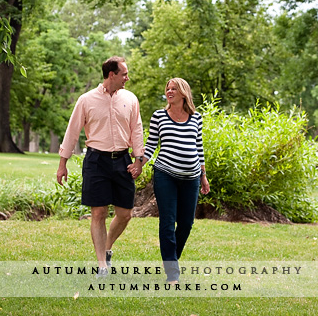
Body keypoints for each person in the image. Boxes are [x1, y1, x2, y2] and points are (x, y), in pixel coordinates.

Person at [57, 56, 144, 277]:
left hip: (123, 160)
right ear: (111, 74)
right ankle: (102, 266)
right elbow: (72, 131)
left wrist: (138, 159)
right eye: (124, 74)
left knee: (125, 214)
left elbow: (137, 130)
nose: (127, 78)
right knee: (99, 212)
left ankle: (106, 249)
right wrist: (62, 163)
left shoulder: (131, 99)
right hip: (96, 161)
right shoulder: (86, 100)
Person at [128, 78, 209, 284]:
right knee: (167, 221)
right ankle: (172, 272)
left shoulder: (196, 118)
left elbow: (199, 148)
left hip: (191, 178)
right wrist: (139, 163)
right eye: (168, 89)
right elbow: (151, 145)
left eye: (174, 89)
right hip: (165, 174)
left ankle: (171, 259)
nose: (169, 91)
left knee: (186, 224)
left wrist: (203, 176)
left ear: (184, 93)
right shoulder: (159, 116)